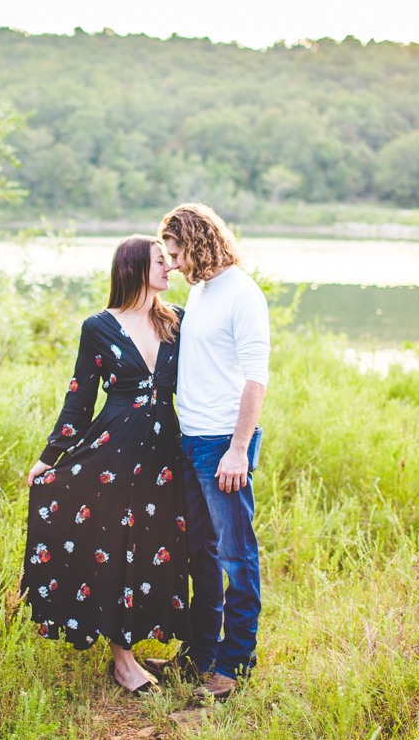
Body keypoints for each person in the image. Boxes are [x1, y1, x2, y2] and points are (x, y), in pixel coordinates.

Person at [22, 235, 190, 696]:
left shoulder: (178, 320)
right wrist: (49, 458)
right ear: (135, 267)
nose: (169, 268)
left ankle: (167, 645)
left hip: (164, 455)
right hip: (112, 453)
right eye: (160, 261)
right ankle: (123, 661)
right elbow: (80, 397)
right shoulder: (99, 326)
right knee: (116, 548)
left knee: (155, 545)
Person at [150, 203, 270, 701]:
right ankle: (200, 654)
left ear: (197, 243)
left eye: (176, 253)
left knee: (237, 558)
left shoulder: (242, 292)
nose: (171, 264)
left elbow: (255, 376)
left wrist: (238, 449)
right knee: (199, 554)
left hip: (223, 445)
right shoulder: (200, 290)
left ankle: (235, 663)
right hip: (191, 439)